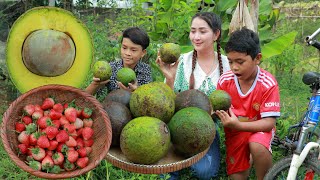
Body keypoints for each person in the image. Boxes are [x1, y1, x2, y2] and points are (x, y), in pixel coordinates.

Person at [157, 12, 230, 180]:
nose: (196, 37)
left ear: (216, 34)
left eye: (202, 31)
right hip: (176, 125)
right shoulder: (180, 61)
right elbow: (167, 102)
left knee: (205, 173)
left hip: (206, 129)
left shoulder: (227, 66)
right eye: (193, 31)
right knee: (166, 174)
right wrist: (170, 78)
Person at [215, 28, 280, 180]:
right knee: (237, 177)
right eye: (230, 62)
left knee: (257, 145)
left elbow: (269, 123)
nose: (234, 67)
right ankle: (247, 158)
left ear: (257, 58)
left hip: (259, 129)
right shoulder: (225, 81)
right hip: (235, 133)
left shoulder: (267, 83)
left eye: (240, 62)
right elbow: (217, 108)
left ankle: (264, 177)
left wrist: (238, 125)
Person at [86, 27, 152, 96]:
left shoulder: (145, 70)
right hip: (111, 105)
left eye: (133, 50)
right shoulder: (110, 69)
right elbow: (84, 98)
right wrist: (95, 84)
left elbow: (147, 99)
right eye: (124, 48)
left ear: (143, 53)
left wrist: (134, 92)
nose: (127, 53)